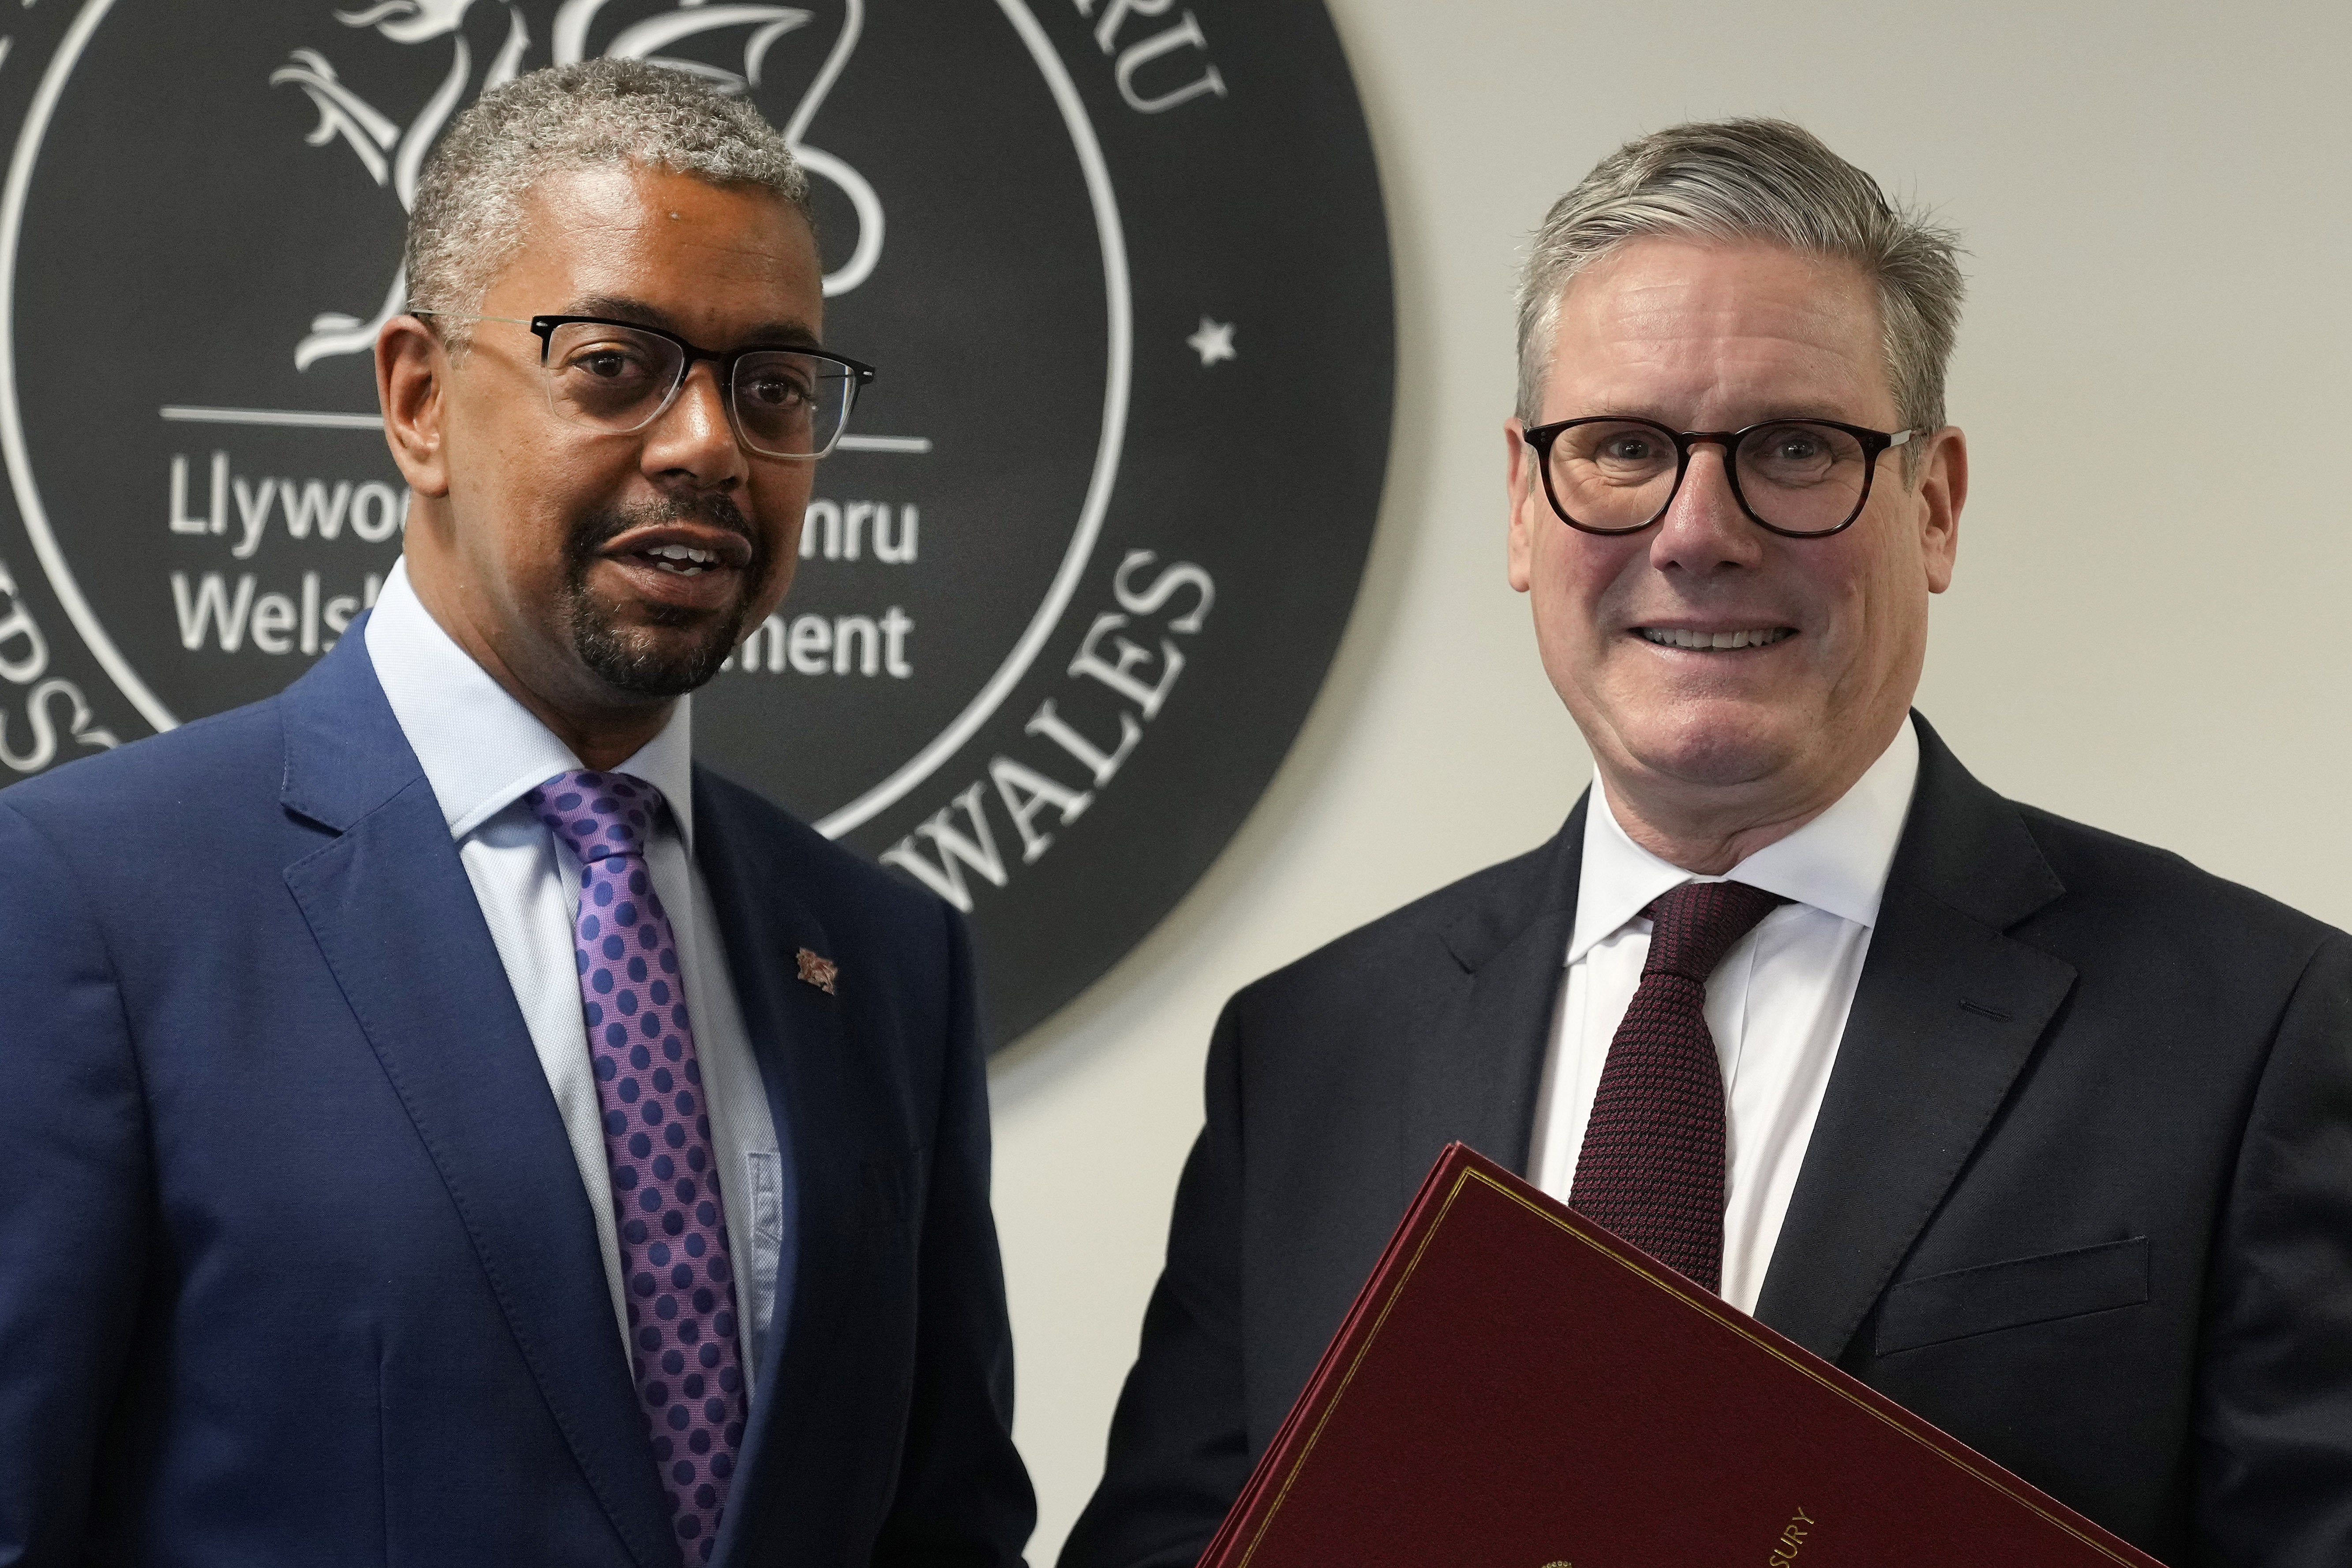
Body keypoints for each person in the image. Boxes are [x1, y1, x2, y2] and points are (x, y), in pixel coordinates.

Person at [1061, 119, 2352, 1567]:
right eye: (1620, 448)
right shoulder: (1305, 1052)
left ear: (1932, 504)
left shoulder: (2255, 1029)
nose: (1696, 530)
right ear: (1520, 502)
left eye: (1793, 448)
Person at [0, 61, 1032, 1567]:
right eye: (615, 364)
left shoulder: (884, 960)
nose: (706, 447)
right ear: (417, 400)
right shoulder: (89, 897)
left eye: (774, 387)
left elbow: (943, 1531)